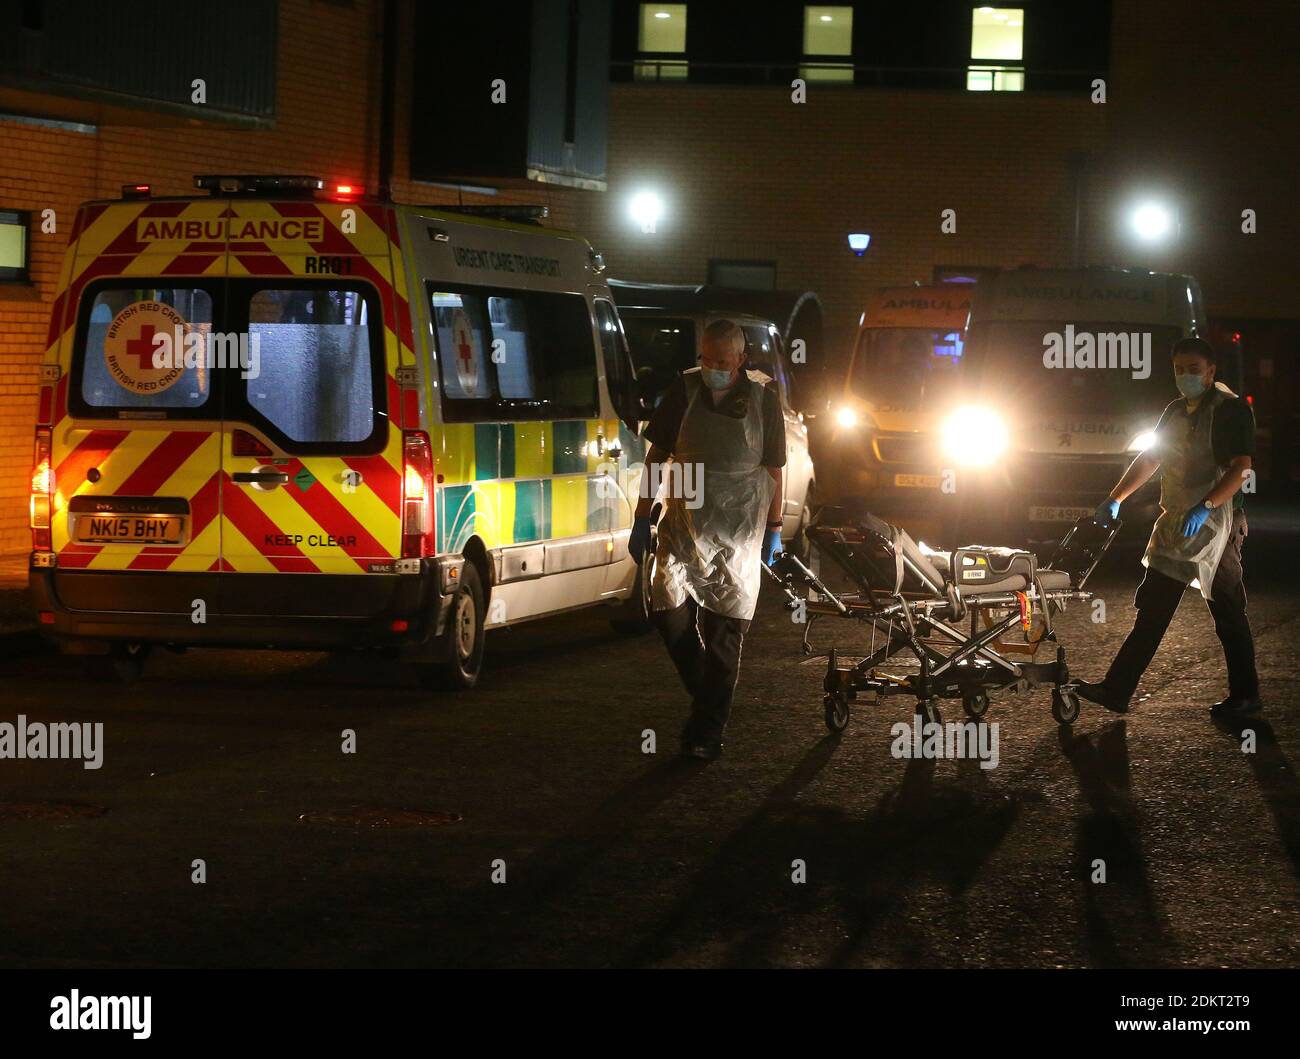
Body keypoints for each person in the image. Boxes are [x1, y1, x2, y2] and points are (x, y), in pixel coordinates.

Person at [1076, 336, 1260, 718]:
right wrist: (1116, 498)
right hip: (1179, 520)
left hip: (1219, 526)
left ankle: (1246, 696)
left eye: (1194, 369)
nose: (1186, 376)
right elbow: (1152, 457)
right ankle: (1116, 689)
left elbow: (1243, 467)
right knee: (1154, 609)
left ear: (1211, 371)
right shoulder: (1175, 412)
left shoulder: (1230, 411)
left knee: (1227, 612)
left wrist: (1207, 505)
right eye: (1179, 369)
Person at [628, 318, 787, 760]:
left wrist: (775, 530)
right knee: (667, 612)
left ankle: (706, 733)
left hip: (738, 532)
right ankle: (708, 700)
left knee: (724, 632)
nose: (712, 367)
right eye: (706, 358)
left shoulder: (763, 400)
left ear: (740, 359)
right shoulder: (684, 391)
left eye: (721, 360)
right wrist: (642, 515)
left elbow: (775, 469)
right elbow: (658, 455)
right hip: (684, 524)